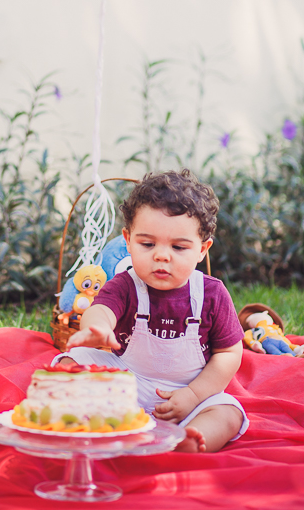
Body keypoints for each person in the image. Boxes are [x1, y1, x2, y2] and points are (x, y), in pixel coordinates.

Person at [54, 170, 249, 453]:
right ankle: (101, 414)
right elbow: (101, 310)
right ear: (128, 241)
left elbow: (229, 354)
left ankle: (187, 441)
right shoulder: (124, 285)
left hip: (187, 393)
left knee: (229, 412)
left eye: (179, 246)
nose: (161, 255)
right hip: (126, 384)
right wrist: (98, 329)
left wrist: (194, 395)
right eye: (147, 244)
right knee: (70, 362)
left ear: (202, 250)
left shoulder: (212, 294)